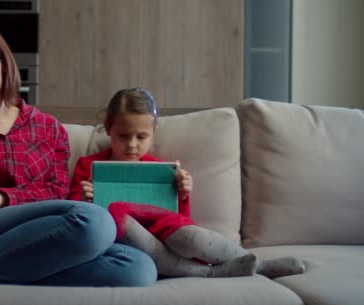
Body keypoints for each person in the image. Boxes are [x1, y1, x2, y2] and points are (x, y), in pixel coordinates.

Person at [0, 23, 157, 292]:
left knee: (138, 268)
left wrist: (1, 197)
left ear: (3, 65)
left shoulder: (47, 128)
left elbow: (57, 190)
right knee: (95, 222)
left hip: (40, 233)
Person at [69, 87, 306, 278]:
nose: (132, 144)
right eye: (123, 136)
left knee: (189, 235)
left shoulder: (159, 168)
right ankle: (210, 273)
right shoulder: (88, 166)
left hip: (164, 232)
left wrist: (182, 193)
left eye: (141, 137)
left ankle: (256, 263)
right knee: (122, 220)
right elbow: (73, 215)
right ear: (109, 129)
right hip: (124, 238)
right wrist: (84, 197)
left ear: (152, 134)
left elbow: (176, 217)